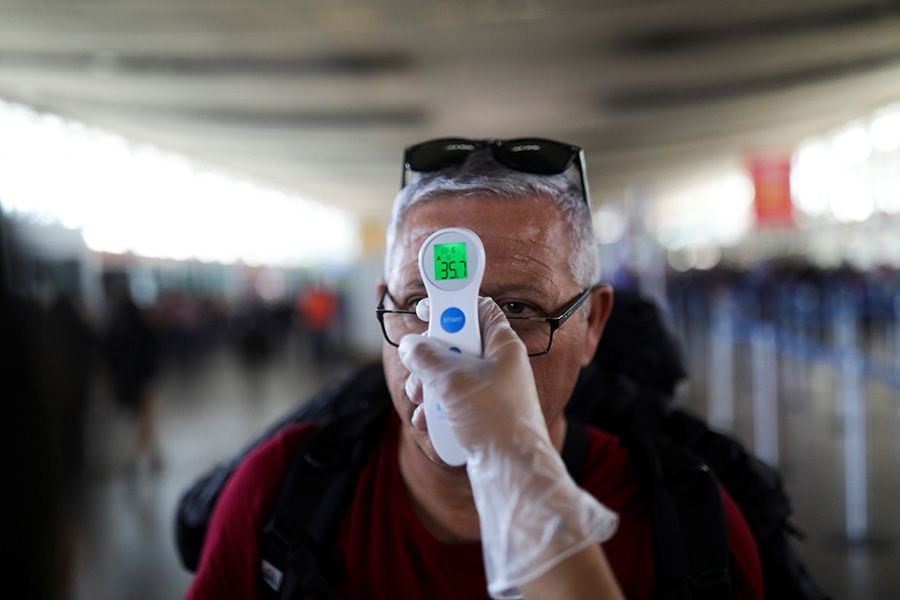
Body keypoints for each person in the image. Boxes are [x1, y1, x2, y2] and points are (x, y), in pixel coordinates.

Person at [186, 138, 763, 599]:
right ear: (382, 308)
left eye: (517, 309)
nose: (458, 352)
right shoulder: (276, 495)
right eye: (423, 305)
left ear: (592, 326)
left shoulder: (690, 530)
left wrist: (516, 471)